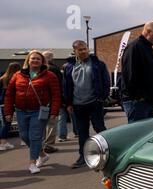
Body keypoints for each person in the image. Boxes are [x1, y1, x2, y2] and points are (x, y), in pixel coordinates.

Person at [3, 50, 61, 174]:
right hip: (21, 111)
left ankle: (32, 163)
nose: (35, 60)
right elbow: (9, 95)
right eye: (32, 58)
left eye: (38, 59)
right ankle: (42, 154)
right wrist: (8, 111)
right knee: (24, 136)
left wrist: (54, 112)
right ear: (28, 60)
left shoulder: (50, 75)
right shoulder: (17, 75)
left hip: (39, 111)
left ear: (42, 62)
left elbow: (56, 95)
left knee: (35, 136)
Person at [64, 40, 110, 169]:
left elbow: (106, 82)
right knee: (82, 132)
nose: (84, 51)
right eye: (80, 50)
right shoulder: (69, 67)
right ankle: (83, 156)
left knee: (100, 128)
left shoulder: (98, 64)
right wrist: (68, 103)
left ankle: (110, 151)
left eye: (85, 49)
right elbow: (66, 86)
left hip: (95, 102)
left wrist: (101, 98)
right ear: (75, 51)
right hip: (78, 105)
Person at [121, 21, 153, 123]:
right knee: (137, 135)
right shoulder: (134, 47)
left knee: (145, 135)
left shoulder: (148, 49)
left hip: (148, 101)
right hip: (139, 103)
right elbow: (129, 75)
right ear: (149, 32)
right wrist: (139, 97)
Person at [42, 51, 63, 153]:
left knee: (41, 123)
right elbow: (60, 84)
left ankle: (41, 144)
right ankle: (49, 145)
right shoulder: (54, 69)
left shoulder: (38, 69)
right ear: (51, 58)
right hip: (52, 100)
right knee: (51, 122)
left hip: (40, 101)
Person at [0, 62, 21, 151]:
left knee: (6, 123)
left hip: (3, 103)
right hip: (14, 102)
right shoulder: (17, 78)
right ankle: (3, 142)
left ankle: (3, 142)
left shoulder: (2, 78)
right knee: (21, 121)